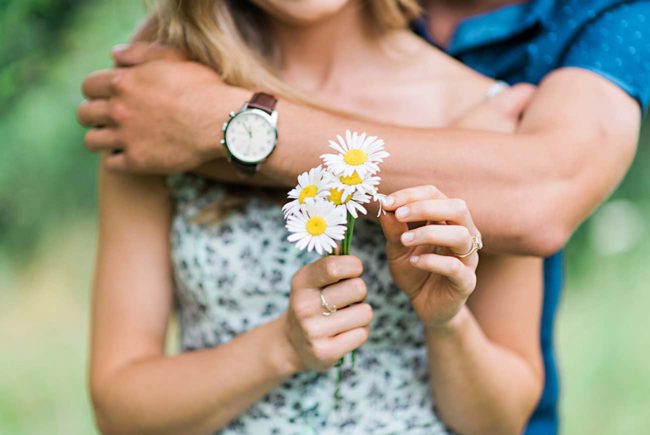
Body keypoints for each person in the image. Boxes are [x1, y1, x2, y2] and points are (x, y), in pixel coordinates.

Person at [78, 1, 650, 433]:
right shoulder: (158, 112)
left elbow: (500, 419)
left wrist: (447, 323)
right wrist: (279, 349)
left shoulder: (481, 122)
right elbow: (119, 407)